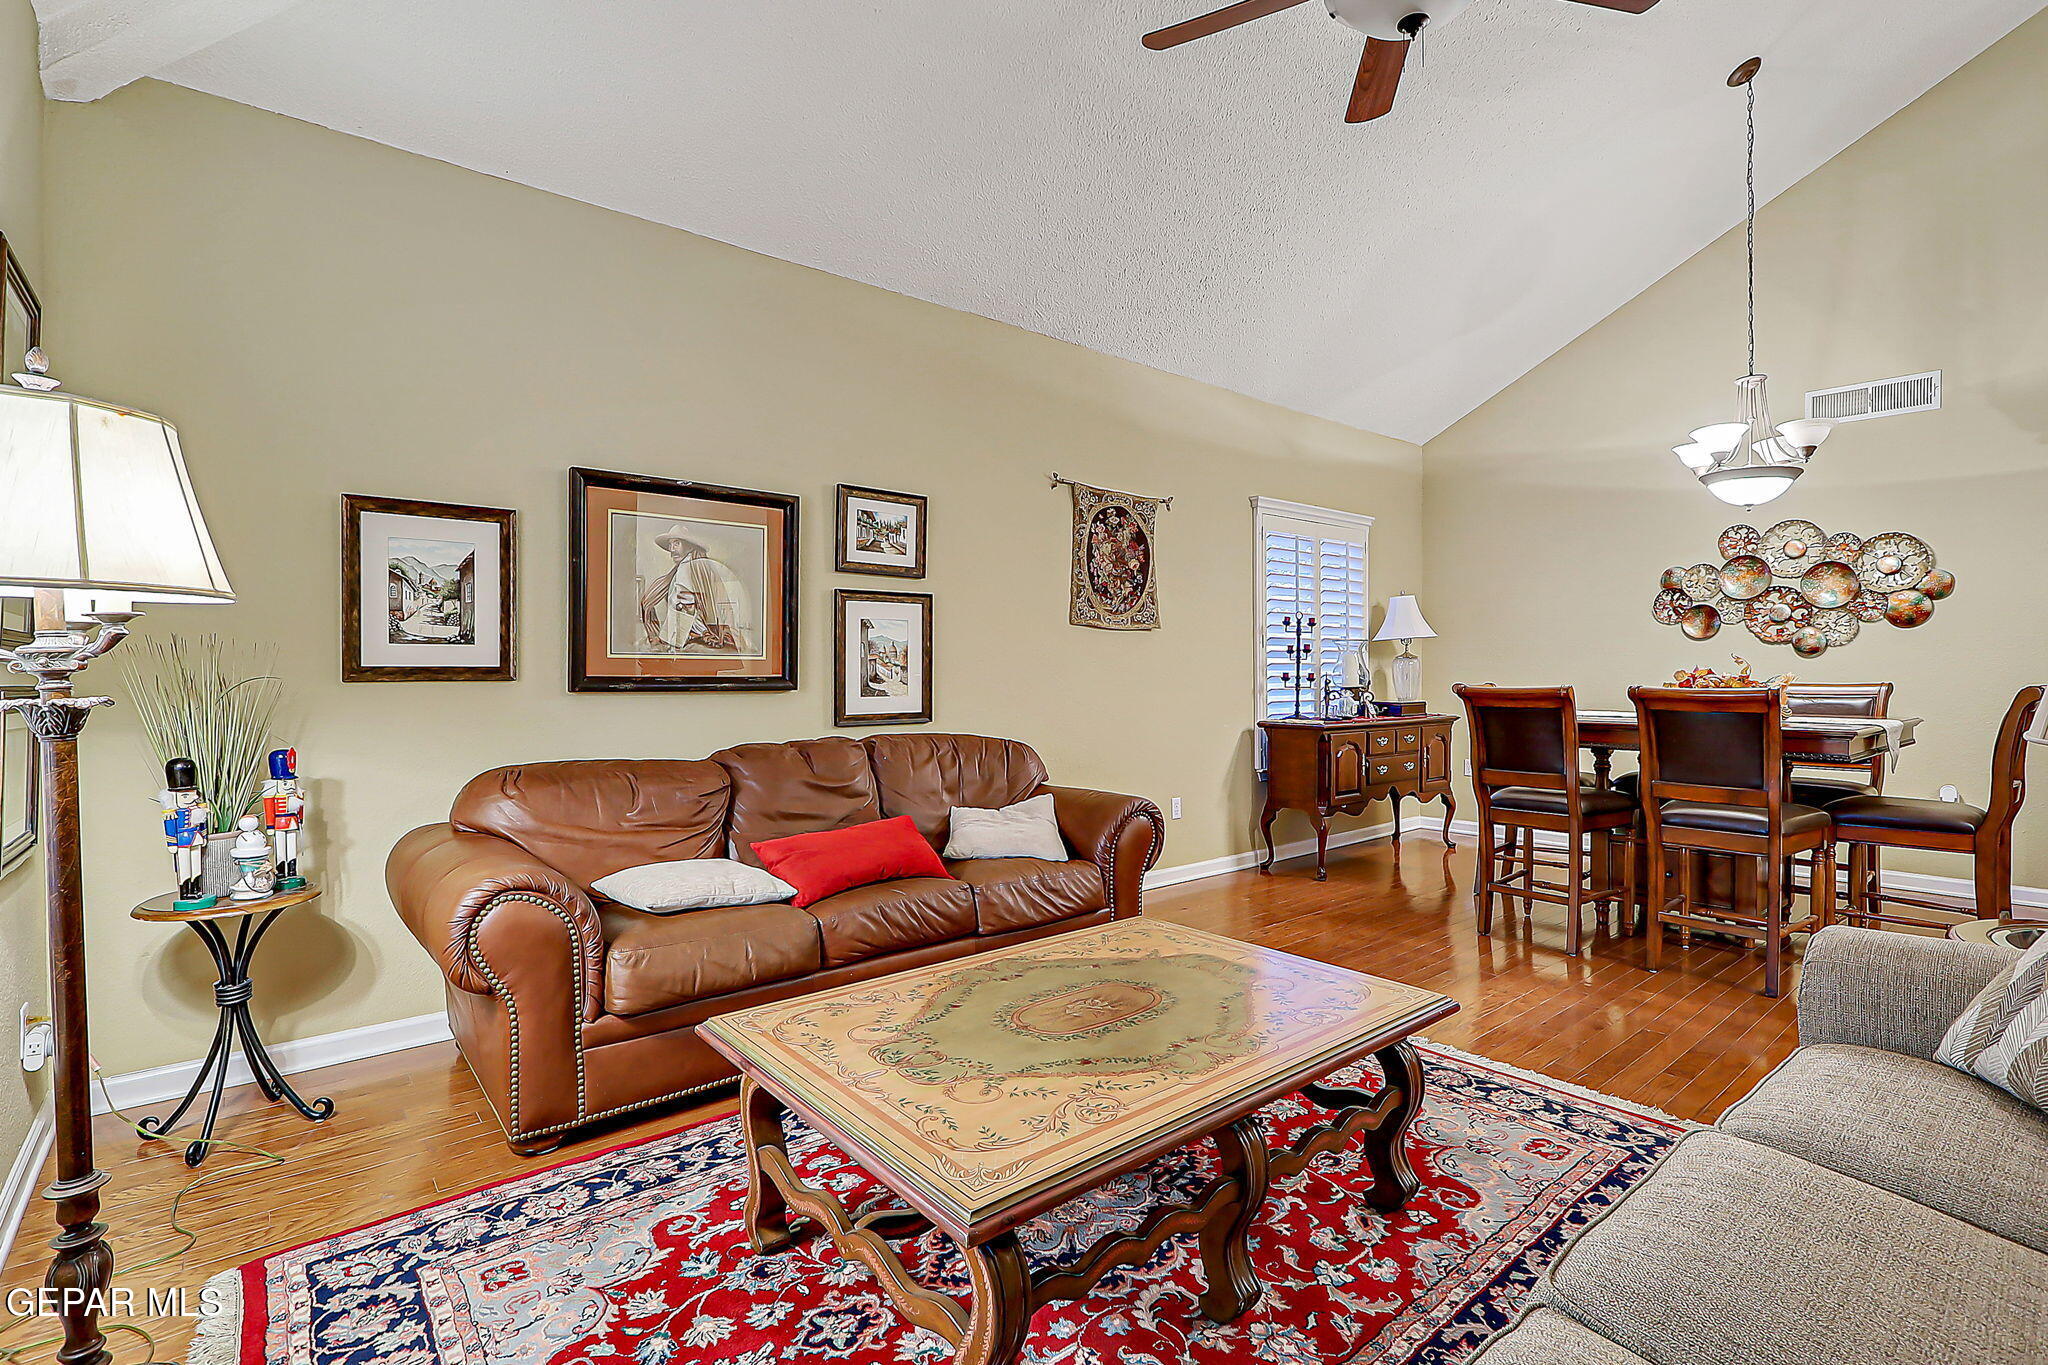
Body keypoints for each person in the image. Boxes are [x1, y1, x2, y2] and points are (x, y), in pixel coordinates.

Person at [637, 526, 754, 654]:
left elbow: (687, 610)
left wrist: (701, 633)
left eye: (676, 543)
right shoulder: (697, 568)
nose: (672, 549)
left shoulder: (686, 568)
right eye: (670, 545)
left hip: (686, 637)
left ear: (689, 546)